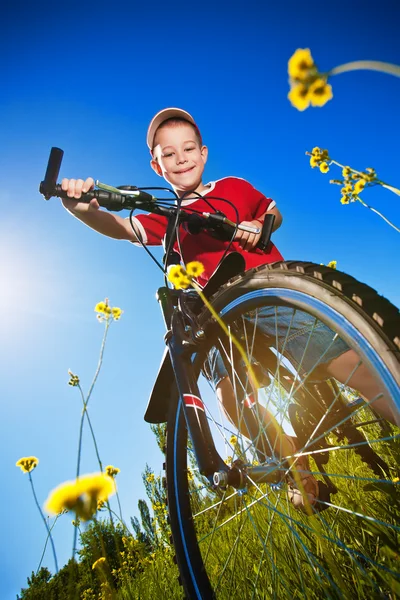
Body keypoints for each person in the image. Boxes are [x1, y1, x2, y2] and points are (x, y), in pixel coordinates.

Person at [61, 108, 396, 513]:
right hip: (214, 315)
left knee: (340, 360)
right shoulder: (165, 218)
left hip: (263, 289)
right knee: (230, 395)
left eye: (188, 149)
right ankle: (298, 474)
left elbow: (272, 209)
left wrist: (261, 224)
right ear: (156, 165)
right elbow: (121, 227)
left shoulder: (232, 187)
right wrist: (81, 208)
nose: (180, 158)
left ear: (203, 154)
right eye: (168, 154)